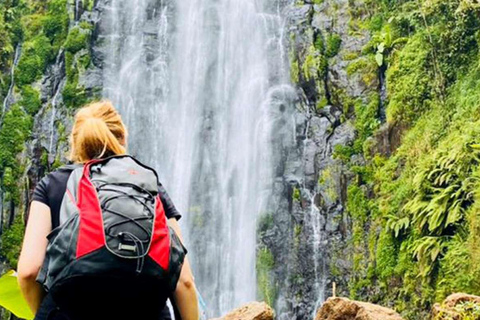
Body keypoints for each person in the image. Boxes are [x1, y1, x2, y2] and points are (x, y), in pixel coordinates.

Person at [17, 100, 199, 320]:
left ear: (76, 143)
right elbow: (184, 281)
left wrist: (46, 314)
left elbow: (28, 271)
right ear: (122, 138)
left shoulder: (53, 184)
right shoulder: (148, 186)